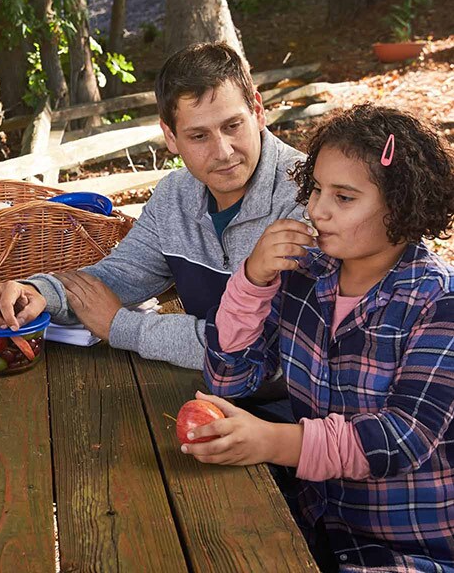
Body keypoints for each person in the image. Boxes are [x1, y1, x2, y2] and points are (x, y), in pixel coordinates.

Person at [190, 105, 454, 571]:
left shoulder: (438, 303)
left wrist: (274, 442)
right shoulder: (305, 276)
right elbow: (229, 379)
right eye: (315, 188)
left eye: (344, 197)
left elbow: (400, 439)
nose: (316, 209)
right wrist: (252, 280)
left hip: (413, 548)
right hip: (317, 522)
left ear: (401, 204)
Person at [0, 42, 304, 374]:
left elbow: (266, 349)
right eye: (199, 136)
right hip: (212, 395)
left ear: (258, 111)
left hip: (302, 415)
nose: (223, 151)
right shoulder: (174, 197)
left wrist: (120, 327)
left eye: (232, 126)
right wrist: (38, 291)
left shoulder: (310, 198)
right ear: (171, 137)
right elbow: (119, 275)